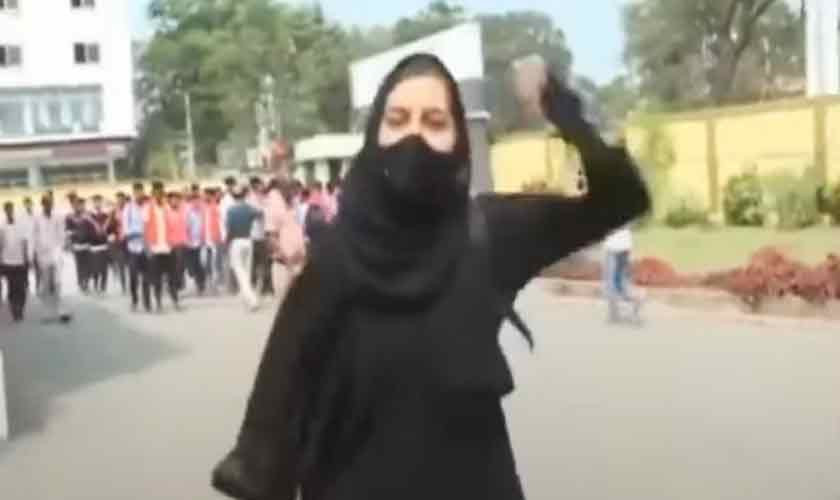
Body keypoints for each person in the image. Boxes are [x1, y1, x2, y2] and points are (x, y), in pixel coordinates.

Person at [212, 54, 650, 500]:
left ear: (459, 140)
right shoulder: (334, 260)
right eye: (397, 120)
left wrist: (559, 107)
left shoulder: (489, 235)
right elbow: (272, 423)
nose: (414, 138)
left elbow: (621, 198)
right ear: (374, 135)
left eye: (435, 122)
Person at [264, 178, 306, 302]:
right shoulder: (274, 207)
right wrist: (287, 260)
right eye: (292, 189)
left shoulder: (294, 208)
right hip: (284, 265)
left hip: (299, 263)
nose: (295, 193)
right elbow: (271, 237)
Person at [32, 194, 71, 323]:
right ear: (42, 204)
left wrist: (60, 248)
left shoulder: (58, 216)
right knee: (46, 284)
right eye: (46, 204)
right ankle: (47, 312)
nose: (49, 206)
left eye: (50, 204)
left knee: (58, 282)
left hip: (56, 252)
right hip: (43, 254)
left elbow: (62, 234)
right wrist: (34, 253)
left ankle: (61, 311)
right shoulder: (37, 218)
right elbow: (33, 236)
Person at [144, 181, 180, 312]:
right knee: (157, 278)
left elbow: (173, 225)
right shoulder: (148, 208)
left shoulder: (167, 207)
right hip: (155, 248)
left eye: (161, 192)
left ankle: (175, 301)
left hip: (168, 247)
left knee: (172, 277)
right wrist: (147, 247)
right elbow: (145, 228)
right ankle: (158, 303)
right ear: (153, 193)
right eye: (156, 192)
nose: (159, 194)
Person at [225, 186, 262, 311]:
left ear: (234, 197)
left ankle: (252, 300)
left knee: (240, 272)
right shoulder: (249, 208)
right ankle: (246, 296)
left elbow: (230, 229)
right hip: (248, 240)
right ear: (244, 196)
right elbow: (260, 214)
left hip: (236, 241)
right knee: (247, 271)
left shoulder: (231, 210)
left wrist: (227, 242)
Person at [603, 225, 642, 323]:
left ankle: (617, 314)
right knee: (618, 282)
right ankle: (616, 314)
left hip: (615, 247)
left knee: (614, 282)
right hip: (622, 246)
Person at [1, 202, 31, 322]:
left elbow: (25, 242)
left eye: (10, 210)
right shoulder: (2, 226)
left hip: (20, 261)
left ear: (13, 210)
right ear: (5, 211)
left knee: (21, 287)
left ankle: (20, 308)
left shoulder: (20, 225)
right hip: (7, 262)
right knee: (11, 287)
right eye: (7, 210)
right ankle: (15, 311)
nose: (9, 212)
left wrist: (26, 258)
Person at [124, 183, 151, 312]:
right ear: (133, 193)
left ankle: (147, 302)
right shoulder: (128, 208)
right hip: (133, 247)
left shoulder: (148, 206)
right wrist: (136, 233)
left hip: (146, 247)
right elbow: (126, 229)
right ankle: (134, 300)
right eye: (137, 192)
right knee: (133, 276)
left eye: (141, 192)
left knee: (147, 276)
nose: (139, 194)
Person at [66, 197, 95, 294]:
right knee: (79, 265)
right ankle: (81, 282)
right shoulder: (70, 217)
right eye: (78, 205)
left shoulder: (89, 215)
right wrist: (73, 237)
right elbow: (67, 230)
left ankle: (86, 281)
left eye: (82, 205)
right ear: (74, 206)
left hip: (87, 244)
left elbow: (93, 229)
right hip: (77, 245)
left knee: (88, 264)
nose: (80, 207)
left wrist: (92, 241)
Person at [248, 177, 270, 295]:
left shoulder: (264, 198)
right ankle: (252, 285)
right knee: (254, 263)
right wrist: (264, 212)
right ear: (255, 186)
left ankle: (265, 287)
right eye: (260, 185)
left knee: (265, 262)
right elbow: (255, 214)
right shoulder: (250, 199)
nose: (262, 187)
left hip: (264, 234)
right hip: (254, 235)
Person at [202, 187, 225, 294]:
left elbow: (221, 224)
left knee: (216, 263)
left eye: (206, 195)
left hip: (216, 239)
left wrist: (221, 238)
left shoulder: (217, 208)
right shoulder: (204, 208)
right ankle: (210, 283)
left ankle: (217, 284)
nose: (204, 197)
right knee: (206, 262)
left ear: (211, 196)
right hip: (206, 240)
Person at [184, 191, 207, 295]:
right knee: (191, 265)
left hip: (200, 242)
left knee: (199, 263)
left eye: (198, 200)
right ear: (191, 201)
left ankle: (200, 284)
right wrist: (187, 239)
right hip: (189, 242)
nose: (197, 203)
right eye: (194, 201)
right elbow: (185, 226)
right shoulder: (188, 212)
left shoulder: (202, 211)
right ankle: (197, 281)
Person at [89, 194, 111, 295]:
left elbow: (110, 229)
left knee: (104, 267)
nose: (97, 203)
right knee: (95, 267)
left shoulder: (105, 215)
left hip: (104, 245)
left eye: (99, 201)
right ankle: (96, 284)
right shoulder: (90, 216)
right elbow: (86, 229)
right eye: (96, 202)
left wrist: (109, 234)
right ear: (93, 203)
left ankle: (103, 286)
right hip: (94, 246)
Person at [166, 191, 189, 292]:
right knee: (173, 265)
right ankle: (173, 284)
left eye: (177, 200)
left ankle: (178, 282)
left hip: (182, 242)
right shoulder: (166, 213)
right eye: (173, 200)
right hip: (170, 243)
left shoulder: (184, 212)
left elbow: (188, 226)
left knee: (181, 265)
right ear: (170, 201)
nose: (175, 202)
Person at [110, 192, 129, 295]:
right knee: (121, 265)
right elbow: (109, 226)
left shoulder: (129, 210)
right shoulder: (113, 211)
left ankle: (132, 283)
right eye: (118, 199)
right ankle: (123, 285)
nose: (120, 201)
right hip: (119, 241)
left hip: (129, 240)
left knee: (131, 265)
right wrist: (112, 234)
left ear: (125, 200)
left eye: (122, 199)